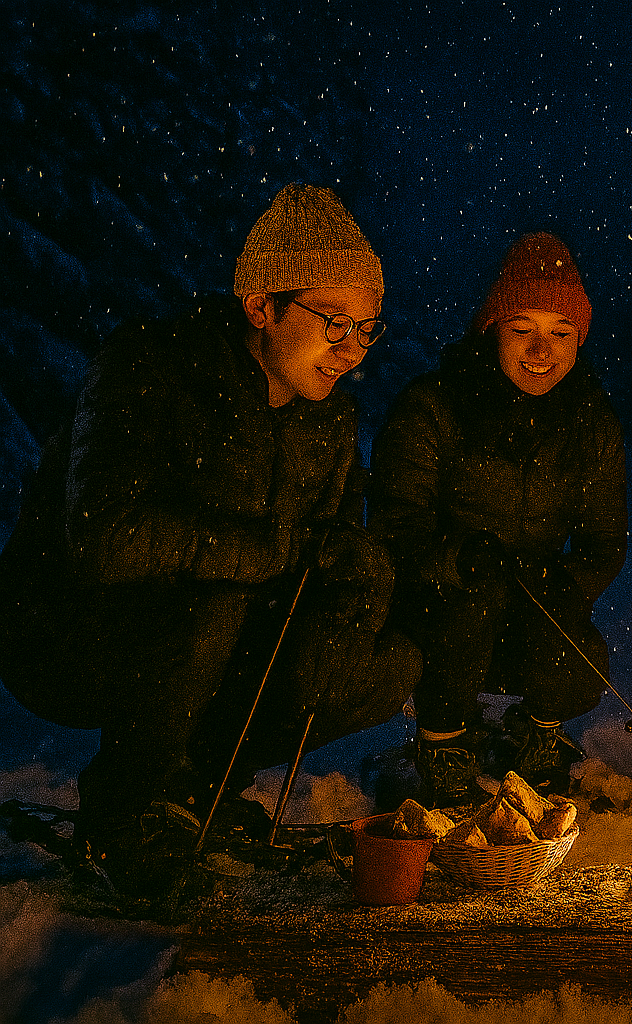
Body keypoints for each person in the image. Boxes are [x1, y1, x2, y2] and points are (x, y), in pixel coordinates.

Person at [0, 183, 422, 897]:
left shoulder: (331, 420)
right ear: (262, 306)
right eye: (333, 322)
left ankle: (196, 789)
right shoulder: (149, 369)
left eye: (367, 327)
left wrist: (354, 576)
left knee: (379, 661)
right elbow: (105, 538)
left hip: (215, 640)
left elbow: (334, 535)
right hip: (67, 628)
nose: (352, 349)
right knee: (216, 594)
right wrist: (258, 551)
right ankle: (135, 802)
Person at [371, 232, 626, 807]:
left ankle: (540, 734)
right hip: (437, 600)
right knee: (464, 615)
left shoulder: (590, 422)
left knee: (575, 659)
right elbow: (394, 528)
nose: (542, 350)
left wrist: (566, 584)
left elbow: (605, 538)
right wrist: (458, 558)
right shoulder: (434, 406)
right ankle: (444, 739)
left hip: (531, 600)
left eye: (560, 334)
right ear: (491, 331)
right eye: (522, 330)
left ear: (579, 340)